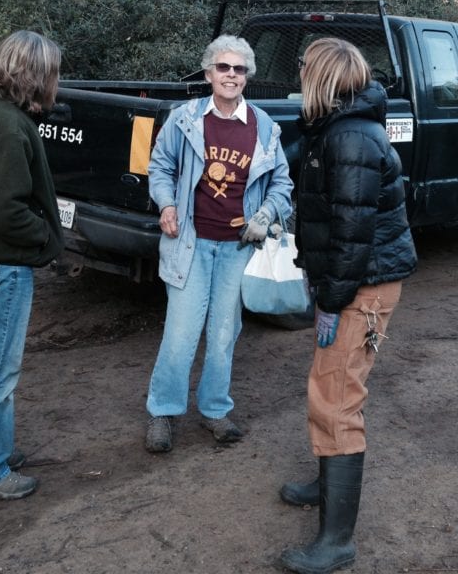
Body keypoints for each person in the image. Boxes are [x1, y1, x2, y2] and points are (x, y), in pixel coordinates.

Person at [279, 37, 417, 573]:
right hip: (349, 282)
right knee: (328, 385)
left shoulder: (353, 138)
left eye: (303, 65)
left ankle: (337, 542)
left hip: (362, 285)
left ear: (325, 76)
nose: (298, 72)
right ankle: (325, 483)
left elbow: (353, 236)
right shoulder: (335, 130)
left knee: (338, 399)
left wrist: (332, 301)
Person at [144, 34, 293, 453]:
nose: (231, 75)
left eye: (239, 69)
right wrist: (167, 203)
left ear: (248, 77)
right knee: (180, 332)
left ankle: (214, 410)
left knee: (224, 333)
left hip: (237, 249)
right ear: (209, 72)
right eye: (224, 68)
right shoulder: (186, 118)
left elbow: (281, 182)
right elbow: (160, 167)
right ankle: (163, 411)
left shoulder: (263, 126)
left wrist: (265, 215)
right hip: (189, 245)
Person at [0, 30, 64, 500]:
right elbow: (6, 210)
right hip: (3, 264)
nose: (56, 80)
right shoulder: (8, 123)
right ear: (36, 73)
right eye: (53, 72)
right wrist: (45, 237)